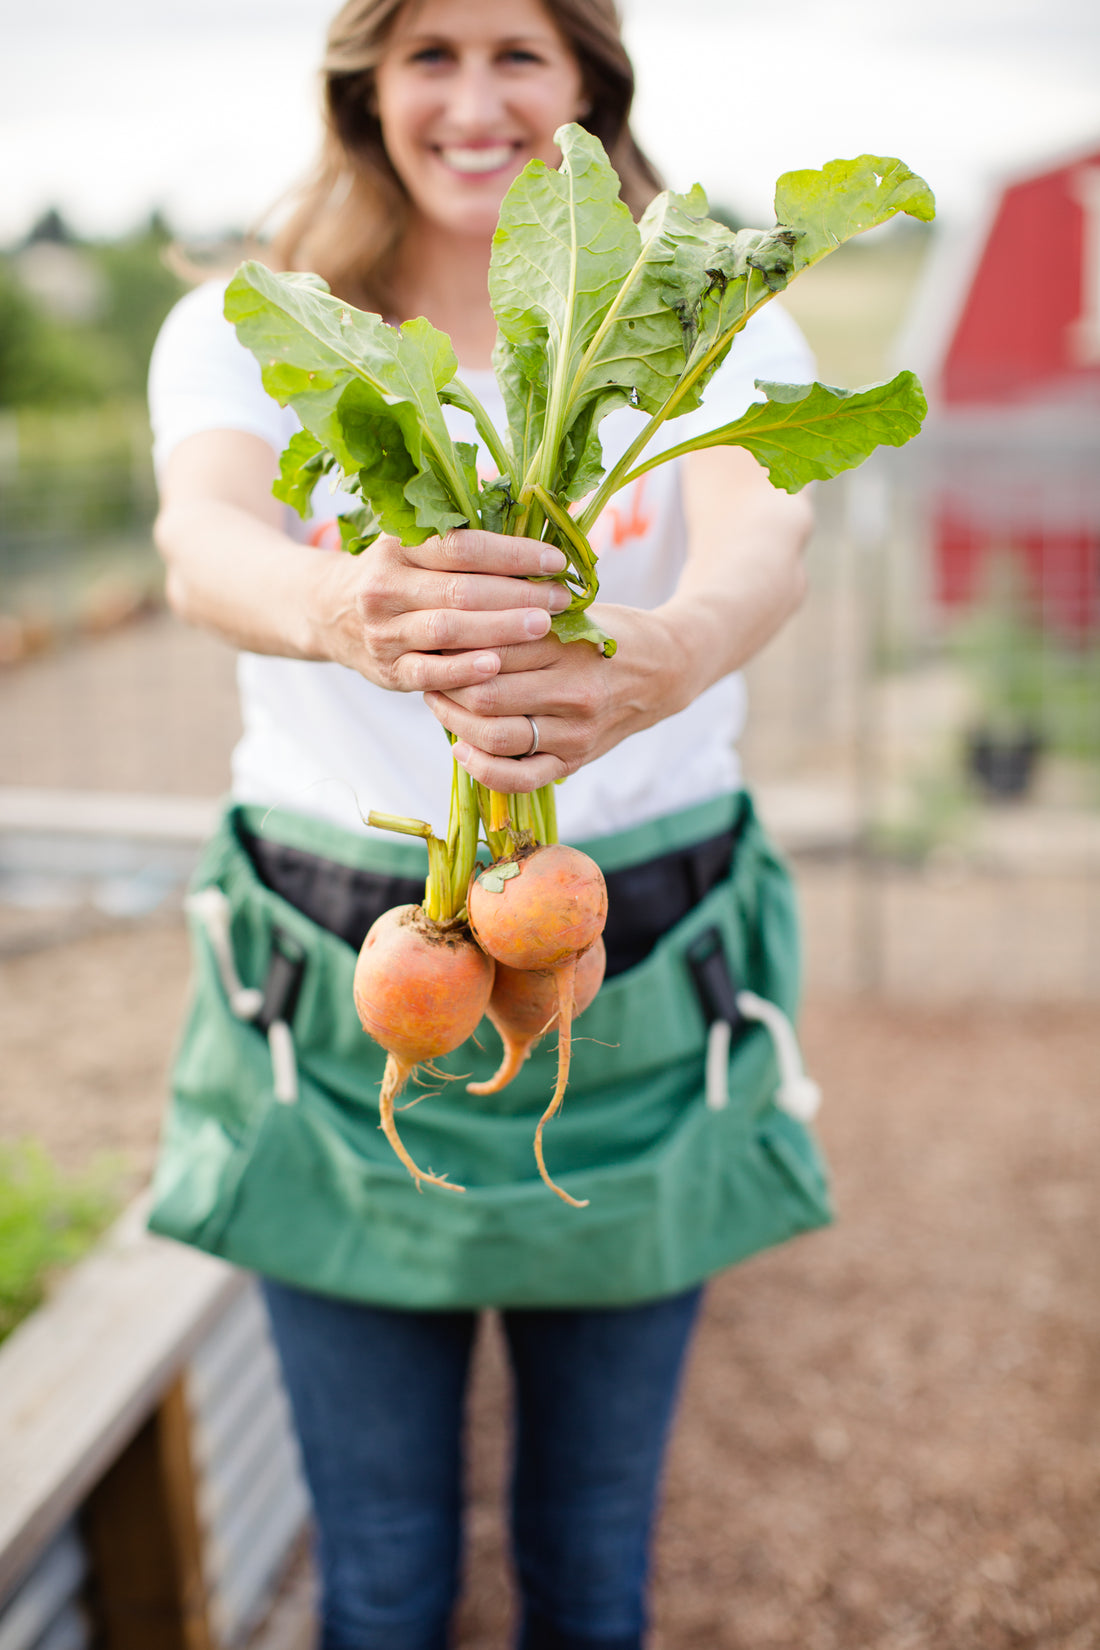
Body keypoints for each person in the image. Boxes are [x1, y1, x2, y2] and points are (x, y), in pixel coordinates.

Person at [146, 1, 832, 1646]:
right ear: (365, 87)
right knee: (381, 1571)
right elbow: (200, 542)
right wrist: (339, 605)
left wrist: (658, 657)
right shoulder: (262, 321)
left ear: (587, 77)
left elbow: (765, 544)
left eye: (517, 51)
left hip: (631, 953)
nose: (475, 99)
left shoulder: (703, 314)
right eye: (429, 54)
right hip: (340, 959)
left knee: (593, 1561)